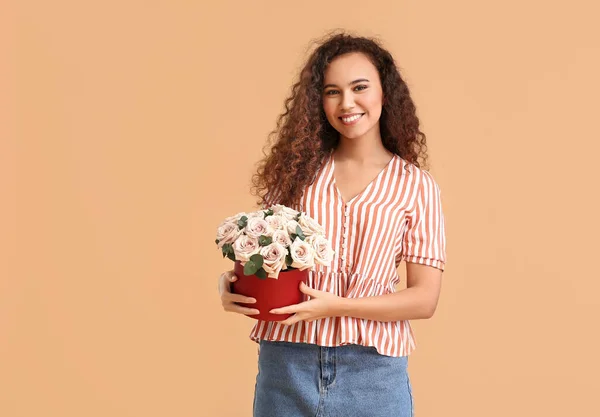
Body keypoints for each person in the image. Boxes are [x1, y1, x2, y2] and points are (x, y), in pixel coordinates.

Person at [218, 31, 447, 417]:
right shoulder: (295, 175)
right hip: (286, 367)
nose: (347, 103)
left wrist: (337, 306)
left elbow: (424, 300)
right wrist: (235, 282)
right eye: (331, 91)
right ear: (318, 101)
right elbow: (269, 259)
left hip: (373, 375)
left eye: (360, 87)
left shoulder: (416, 187)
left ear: (384, 93)